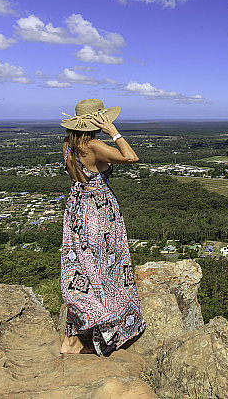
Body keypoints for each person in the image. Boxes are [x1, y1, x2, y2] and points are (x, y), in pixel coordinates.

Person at [58, 99, 145, 355]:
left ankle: (73, 338)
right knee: (104, 271)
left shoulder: (67, 145)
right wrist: (114, 132)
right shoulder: (94, 146)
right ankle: (106, 331)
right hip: (98, 211)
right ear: (96, 122)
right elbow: (131, 157)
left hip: (76, 209)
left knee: (82, 270)